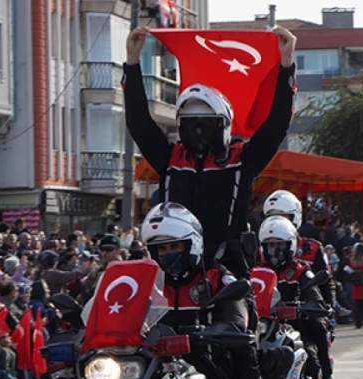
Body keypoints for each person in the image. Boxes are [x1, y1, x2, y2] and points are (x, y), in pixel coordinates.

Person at [124, 26, 297, 278]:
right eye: (191, 125)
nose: (198, 134)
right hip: (176, 270)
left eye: (206, 125)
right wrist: (132, 62)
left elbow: (277, 123)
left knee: (235, 318)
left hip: (229, 271)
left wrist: (286, 64)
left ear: (223, 125)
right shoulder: (170, 159)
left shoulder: (242, 160)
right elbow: (138, 122)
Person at [141, 202, 275, 379]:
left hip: (207, 368)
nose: (167, 255)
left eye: (173, 247)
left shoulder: (216, 278)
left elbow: (237, 316)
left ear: (191, 245)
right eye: (161, 250)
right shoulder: (147, 284)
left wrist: (222, 330)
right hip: (153, 372)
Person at [256, 215, 337, 379]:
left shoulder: (301, 271)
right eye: (271, 245)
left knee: (314, 346)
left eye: (280, 244)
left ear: (291, 245)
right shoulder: (256, 271)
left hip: (298, 326)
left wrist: (311, 306)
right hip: (265, 326)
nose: (275, 249)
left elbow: (315, 295)